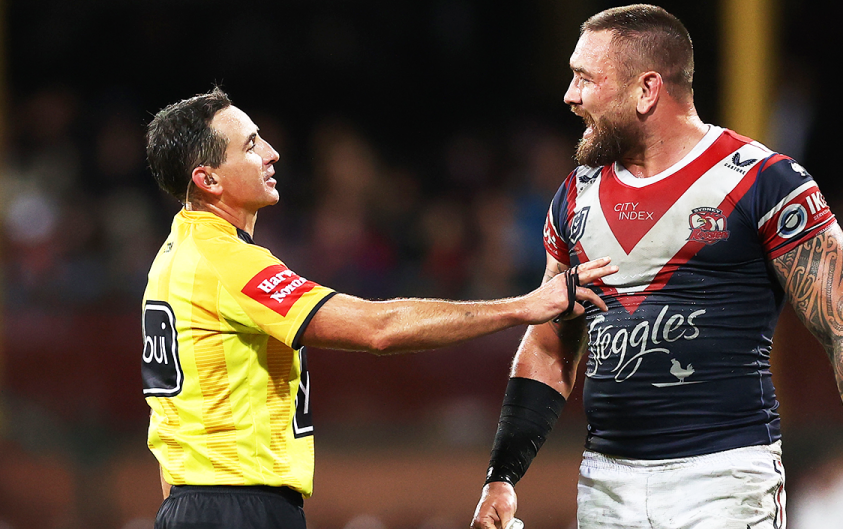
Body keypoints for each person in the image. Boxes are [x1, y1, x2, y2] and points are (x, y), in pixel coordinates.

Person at [470, 4, 843, 529]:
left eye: (584, 79)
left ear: (647, 90)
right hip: (603, 484)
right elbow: (550, 349)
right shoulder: (575, 196)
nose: (570, 97)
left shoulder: (765, 182)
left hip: (725, 482)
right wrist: (502, 475)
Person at [141, 88, 618, 529]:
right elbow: (379, 328)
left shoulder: (173, 257)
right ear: (206, 179)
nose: (271, 153)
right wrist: (524, 306)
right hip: (236, 507)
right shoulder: (228, 262)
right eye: (249, 146)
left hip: (193, 501)